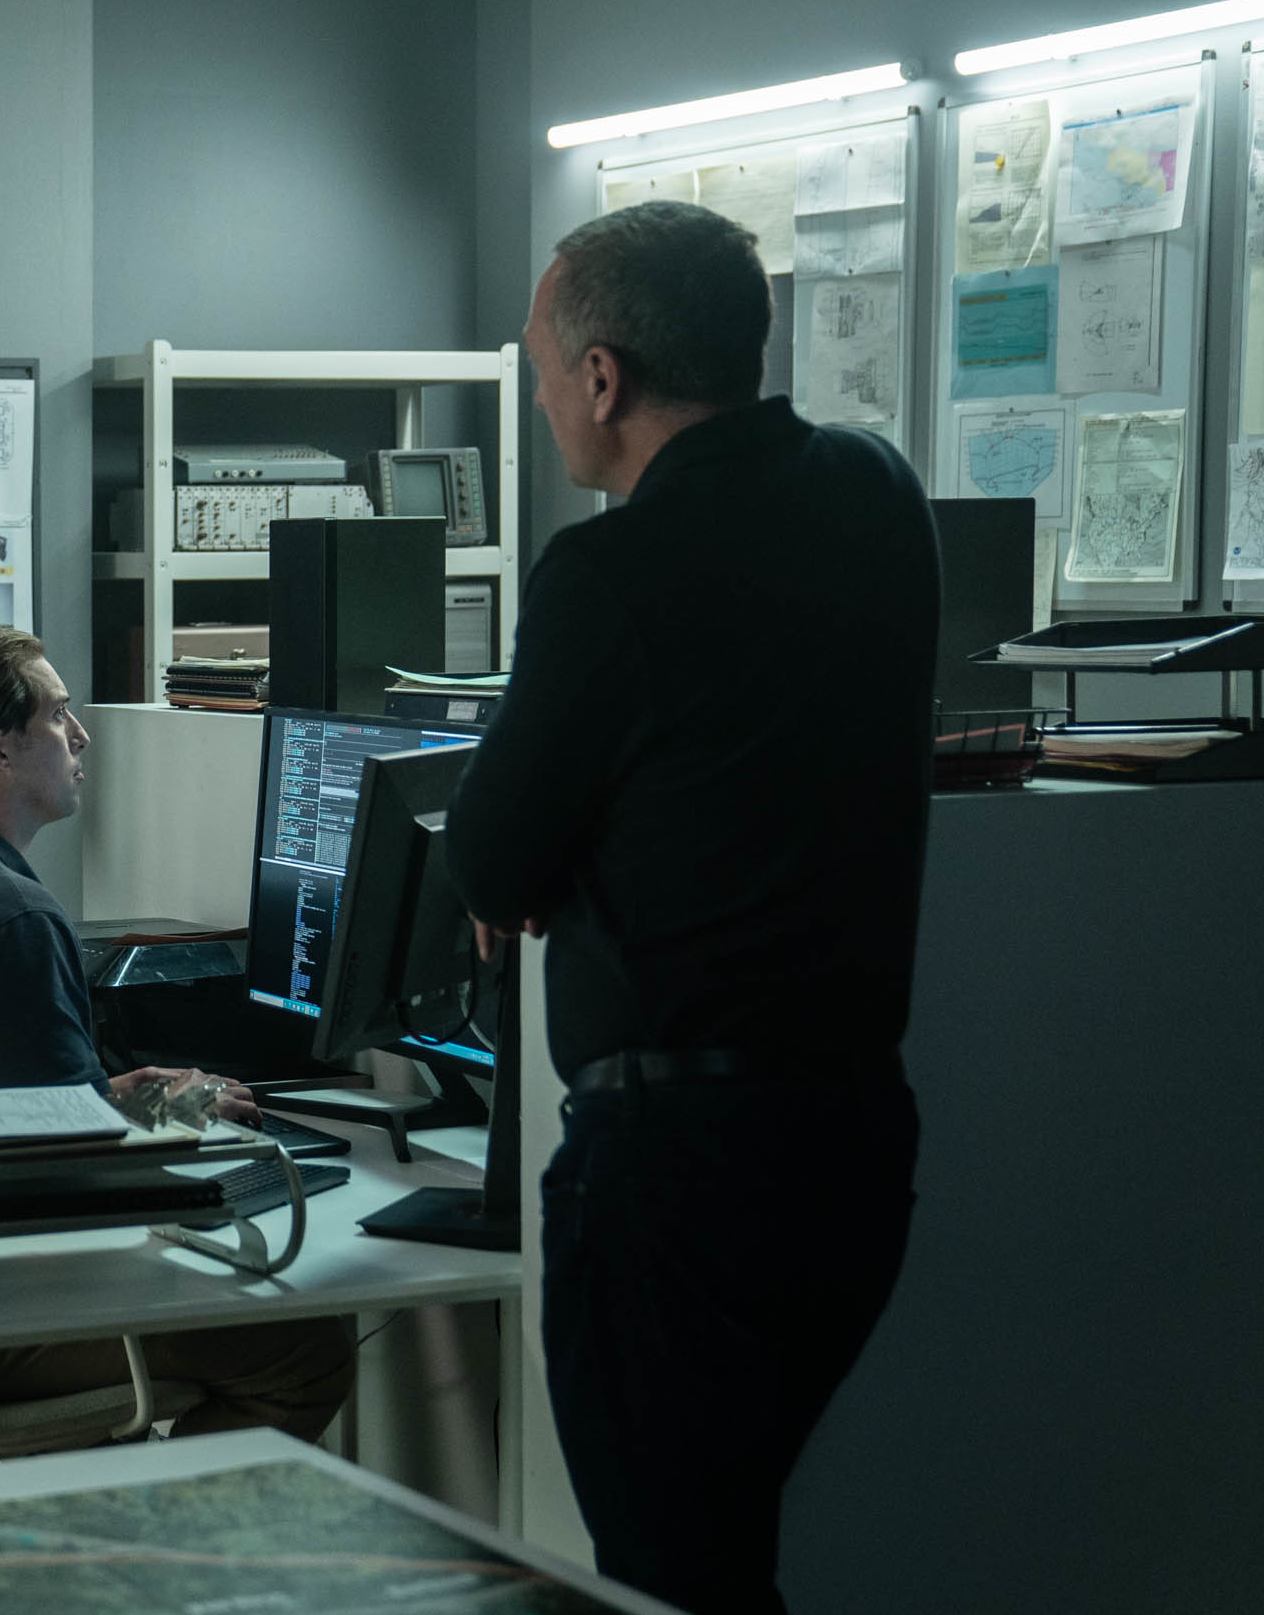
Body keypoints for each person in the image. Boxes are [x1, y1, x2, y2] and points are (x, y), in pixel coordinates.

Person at [445, 201, 936, 1615]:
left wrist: (551, 868)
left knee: (669, 1579)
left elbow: (489, 862)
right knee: (728, 1561)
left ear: (604, 377)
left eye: (545, 370)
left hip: (673, 1174)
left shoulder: (609, 572)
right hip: (852, 1147)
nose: (546, 400)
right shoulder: (877, 494)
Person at [0, 626, 356, 1440]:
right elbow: (73, 1162)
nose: (81, 734)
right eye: (58, 713)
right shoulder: (10, 915)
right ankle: (144, 1523)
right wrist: (191, 1135)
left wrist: (114, 1096)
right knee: (306, 1348)